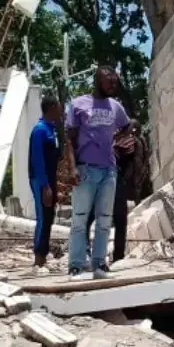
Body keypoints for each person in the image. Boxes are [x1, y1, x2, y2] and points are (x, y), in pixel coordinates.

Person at [65, 66, 132, 277]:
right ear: (98, 81)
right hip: (85, 169)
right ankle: (76, 263)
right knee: (80, 218)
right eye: (109, 81)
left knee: (105, 219)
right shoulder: (78, 105)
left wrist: (116, 140)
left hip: (109, 171)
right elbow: (68, 139)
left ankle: (99, 263)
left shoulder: (116, 106)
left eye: (115, 82)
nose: (113, 85)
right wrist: (72, 168)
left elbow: (128, 125)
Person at [89, 118, 149, 262]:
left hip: (111, 179)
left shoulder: (133, 142)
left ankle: (115, 257)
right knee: (116, 219)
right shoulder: (120, 139)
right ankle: (114, 257)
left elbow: (137, 168)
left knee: (116, 218)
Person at [29, 96, 63, 270]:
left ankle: (43, 255)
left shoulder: (52, 130)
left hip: (50, 179)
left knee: (49, 216)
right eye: (58, 107)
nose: (61, 110)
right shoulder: (40, 130)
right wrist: (45, 186)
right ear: (51, 108)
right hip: (41, 180)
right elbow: (38, 160)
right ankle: (38, 257)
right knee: (43, 216)